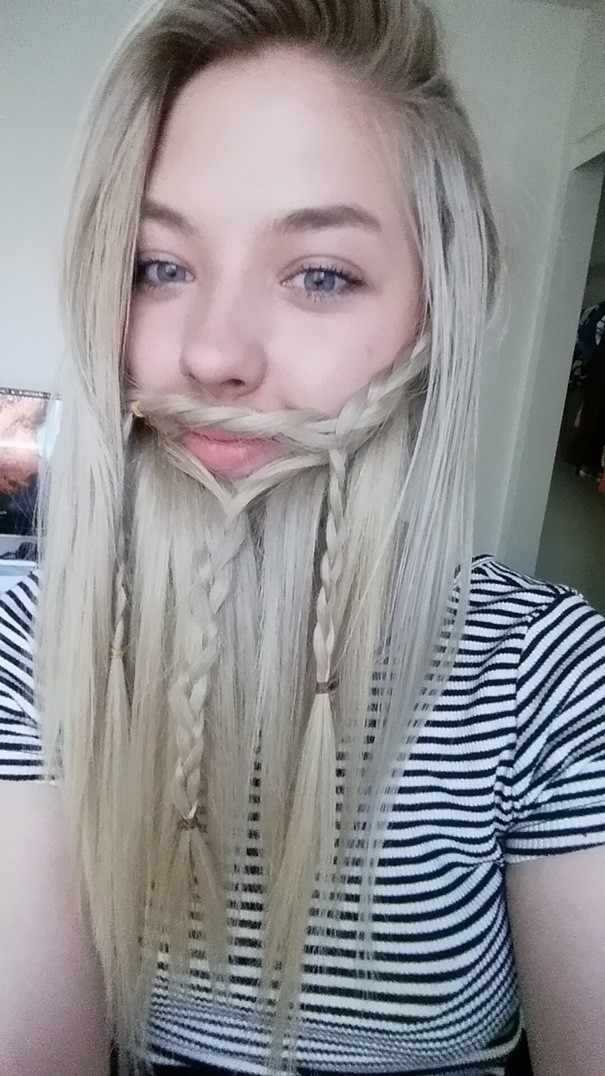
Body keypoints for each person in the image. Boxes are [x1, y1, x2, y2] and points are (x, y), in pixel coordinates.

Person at [0, 1, 604, 1075]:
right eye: (156, 265)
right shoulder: (26, 642)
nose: (212, 354)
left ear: (434, 314)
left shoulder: (543, 677)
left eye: (320, 274)